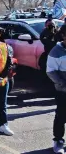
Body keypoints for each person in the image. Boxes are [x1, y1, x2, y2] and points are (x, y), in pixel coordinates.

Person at [47, 24, 66, 154]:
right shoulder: (56, 52)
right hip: (63, 91)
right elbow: (51, 71)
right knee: (61, 116)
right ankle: (58, 141)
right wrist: (63, 84)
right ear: (64, 36)